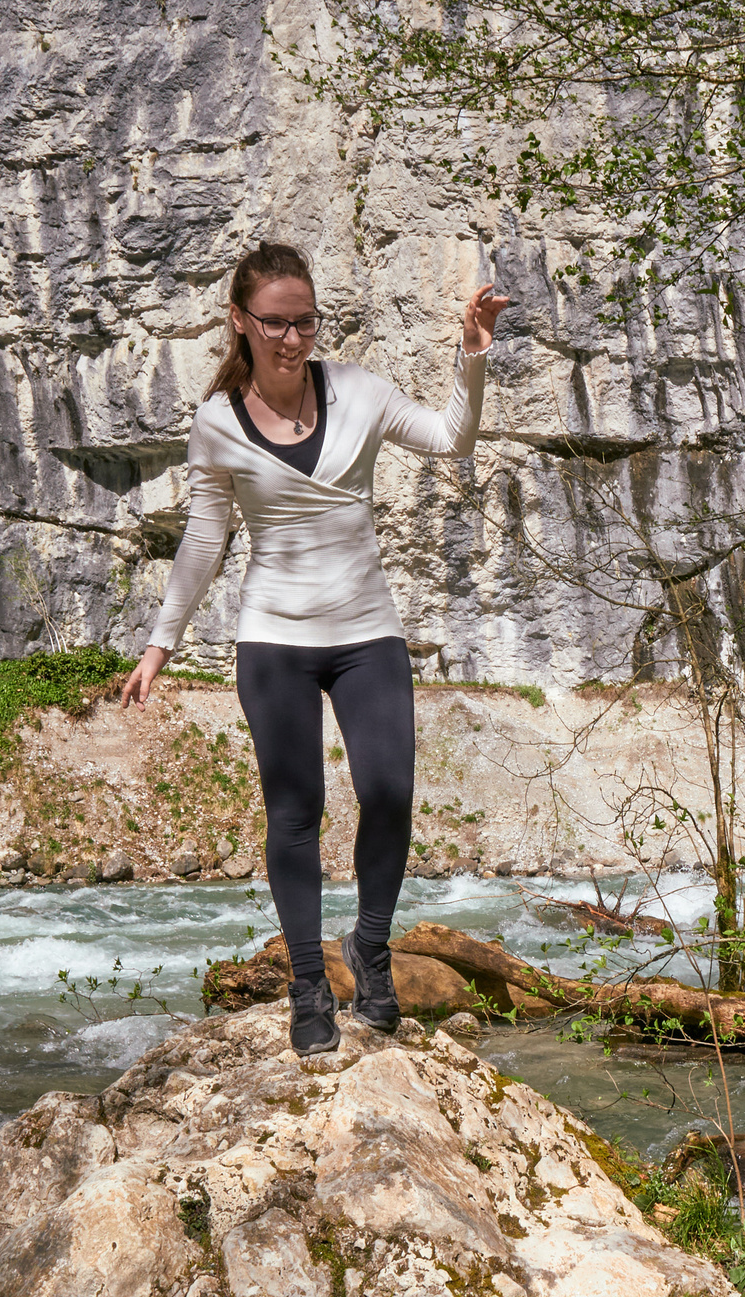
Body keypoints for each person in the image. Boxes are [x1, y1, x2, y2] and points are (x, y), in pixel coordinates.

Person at [121, 242, 510, 1055]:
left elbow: (452, 440)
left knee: (389, 793)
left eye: (305, 322)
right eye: (276, 324)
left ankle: (369, 945)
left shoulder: (359, 389)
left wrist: (471, 356)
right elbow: (202, 544)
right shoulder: (218, 423)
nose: (293, 338)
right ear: (240, 322)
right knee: (295, 813)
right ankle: (308, 982)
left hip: (368, 631)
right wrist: (160, 647)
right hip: (274, 639)